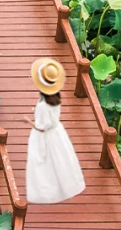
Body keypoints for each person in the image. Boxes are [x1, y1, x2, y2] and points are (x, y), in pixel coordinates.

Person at [25, 58, 85, 204]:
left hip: (45, 136)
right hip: (58, 132)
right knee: (62, 160)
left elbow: (41, 127)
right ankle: (67, 185)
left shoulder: (42, 106)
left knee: (42, 163)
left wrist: (28, 121)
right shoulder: (57, 99)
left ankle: (47, 193)